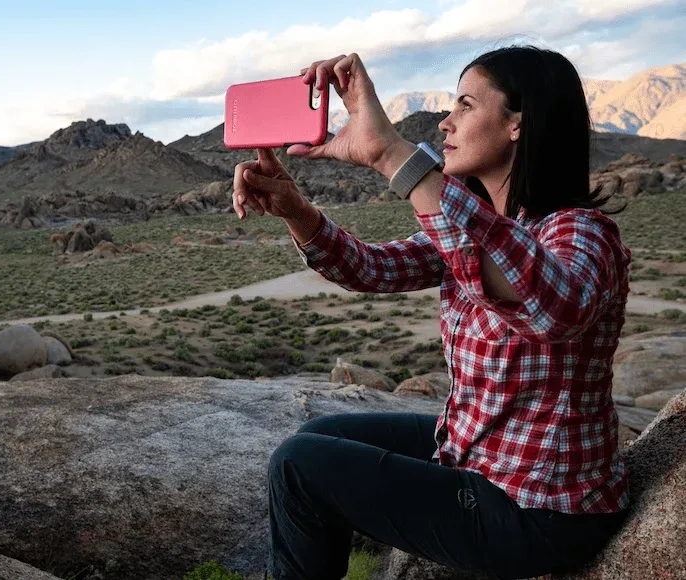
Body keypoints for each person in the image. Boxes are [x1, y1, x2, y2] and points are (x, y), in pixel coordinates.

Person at [232, 47, 631, 580]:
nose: (446, 121)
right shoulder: (475, 225)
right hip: (484, 457)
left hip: (539, 507)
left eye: (465, 104)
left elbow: (550, 309)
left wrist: (391, 155)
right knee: (322, 435)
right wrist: (295, 210)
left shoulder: (581, 233)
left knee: (300, 468)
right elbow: (370, 269)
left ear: (519, 124)